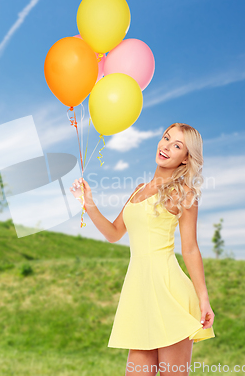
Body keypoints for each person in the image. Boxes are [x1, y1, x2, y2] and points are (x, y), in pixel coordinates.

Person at [69, 123, 215, 376]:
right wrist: (88, 204)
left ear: (185, 159)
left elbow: (190, 249)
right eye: (166, 138)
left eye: (177, 145)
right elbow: (114, 233)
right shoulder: (138, 190)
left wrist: (203, 298)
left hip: (170, 292)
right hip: (139, 294)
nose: (166, 146)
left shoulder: (184, 194)